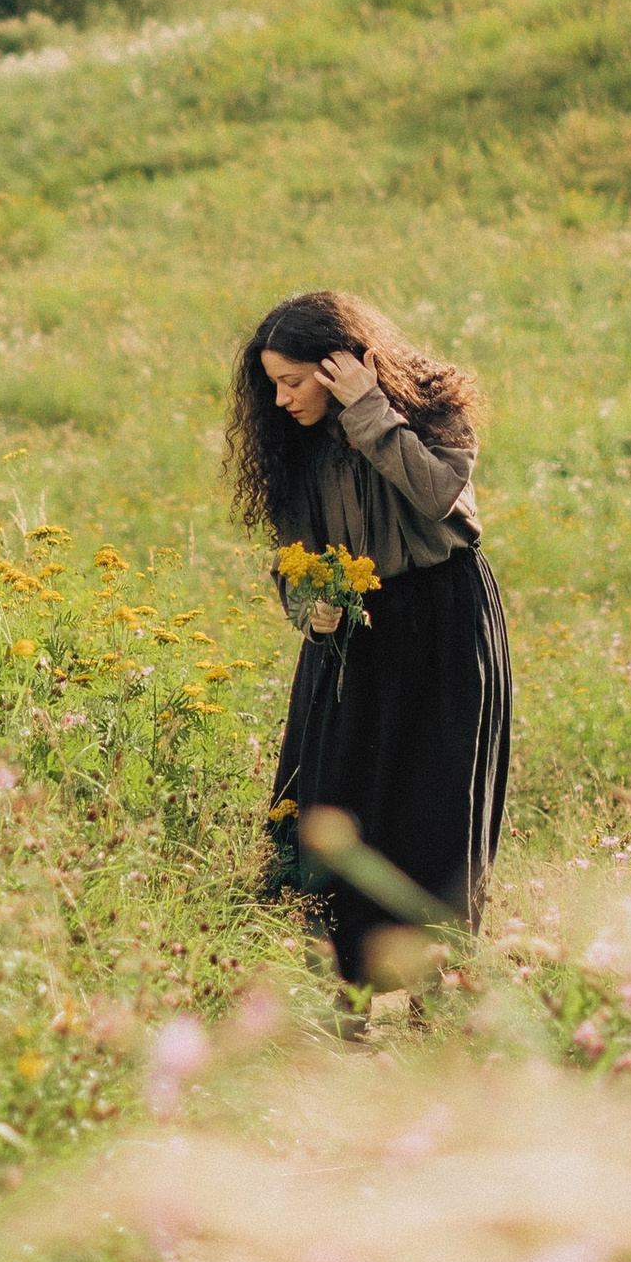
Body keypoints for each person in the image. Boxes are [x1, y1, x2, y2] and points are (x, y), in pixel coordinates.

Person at [227, 287, 512, 988]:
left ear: (338, 367)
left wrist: (367, 412)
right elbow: (291, 555)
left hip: (444, 622)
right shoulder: (291, 442)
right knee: (333, 802)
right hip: (351, 634)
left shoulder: (436, 409)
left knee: (436, 805)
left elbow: (439, 493)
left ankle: (436, 993)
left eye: (293, 382)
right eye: (273, 385)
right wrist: (307, 606)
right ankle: (339, 995)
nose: (283, 400)